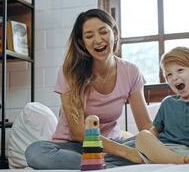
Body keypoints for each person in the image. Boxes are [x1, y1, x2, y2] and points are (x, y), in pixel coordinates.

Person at [25, 9, 152, 169]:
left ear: (114, 33)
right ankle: (103, 166)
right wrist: (126, 153)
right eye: (89, 36)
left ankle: (95, 166)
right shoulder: (70, 71)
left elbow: (145, 126)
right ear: (82, 43)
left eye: (103, 32)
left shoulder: (131, 71)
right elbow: (79, 132)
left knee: (145, 143)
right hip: (74, 146)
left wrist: (160, 142)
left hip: (111, 146)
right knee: (35, 152)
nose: (98, 40)